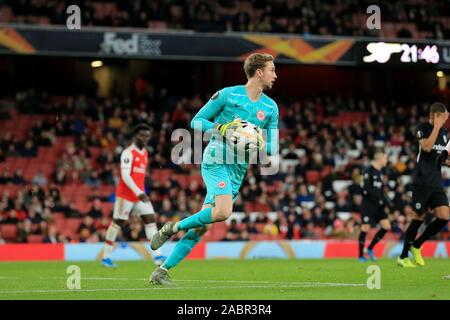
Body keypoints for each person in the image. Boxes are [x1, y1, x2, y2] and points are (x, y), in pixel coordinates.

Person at [149, 53, 279, 285]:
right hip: (216, 158)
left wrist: (258, 140)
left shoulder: (270, 107)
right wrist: (224, 128)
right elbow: (196, 121)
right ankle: (173, 227)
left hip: (238, 169)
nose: (275, 75)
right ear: (259, 72)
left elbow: (274, 145)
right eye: (272, 70)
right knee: (223, 212)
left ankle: (162, 270)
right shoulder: (228, 94)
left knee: (204, 225)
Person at [101, 124, 166, 268]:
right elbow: (125, 176)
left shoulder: (145, 153)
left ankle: (157, 256)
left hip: (139, 195)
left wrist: (140, 192)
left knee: (150, 220)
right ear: (135, 136)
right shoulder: (128, 153)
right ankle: (106, 257)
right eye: (142, 135)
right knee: (117, 223)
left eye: (147, 136)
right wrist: (139, 192)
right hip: (125, 195)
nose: (145, 138)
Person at [398, 102, 450, 267]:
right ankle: (403, 256)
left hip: (436, 181)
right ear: (434, 116)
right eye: (442, 117)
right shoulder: (422, 128)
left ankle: (417, 245)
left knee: (444, 217)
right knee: (418, 217)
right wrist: (436, 126)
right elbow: (427, 147)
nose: (445, 121)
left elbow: (440, 156)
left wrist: (446, 160)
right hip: (421, 180)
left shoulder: (444, 133)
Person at [358, 151, 391, 262]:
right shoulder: (368, 171)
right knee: (365, 228)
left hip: (378, 205)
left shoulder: (379, 172)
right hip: (368, 204)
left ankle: (370, 248)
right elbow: (365, 190)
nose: (387, 160)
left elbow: (379, 190)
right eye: (385, 158)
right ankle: (360, 255)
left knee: (386, 226)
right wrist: (379, 199)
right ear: (380, 159)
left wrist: (384, 201)